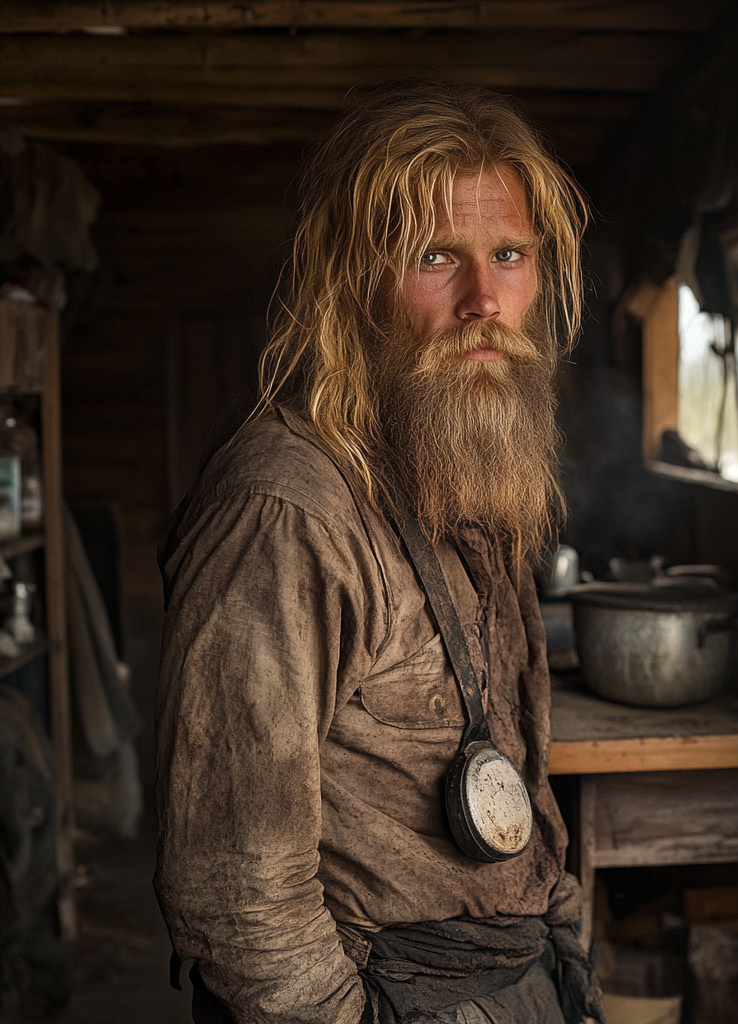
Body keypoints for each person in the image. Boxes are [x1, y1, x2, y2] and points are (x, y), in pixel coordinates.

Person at [154, 84, 603, 1024]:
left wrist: (562, 936)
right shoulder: (286, 510)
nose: (485, 299)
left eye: (509, 255)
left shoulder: (458, 463)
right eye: (437, 257)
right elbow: (236, 891)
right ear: (352, 280)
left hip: (510, 984)